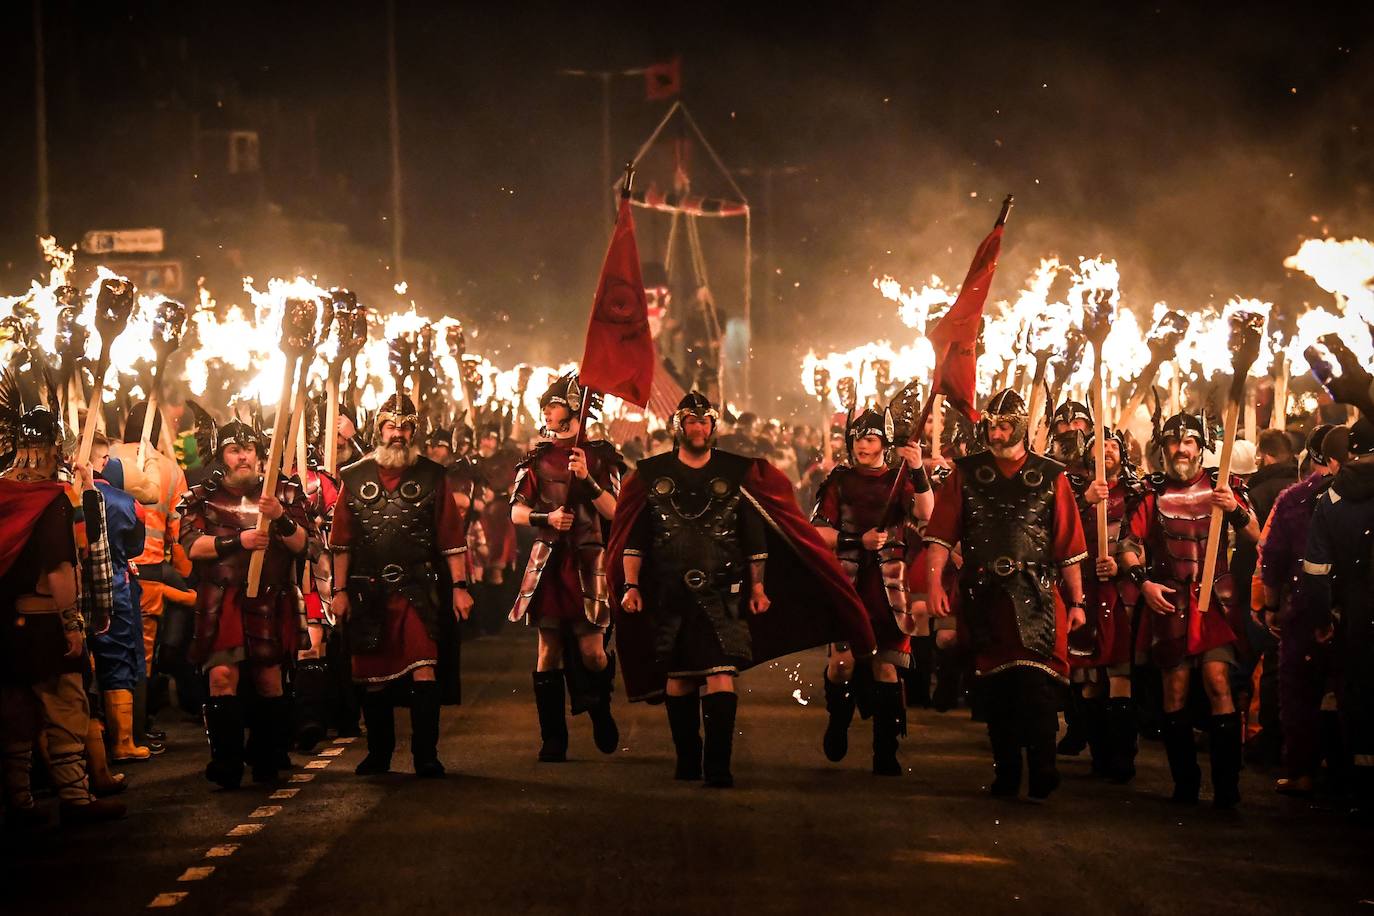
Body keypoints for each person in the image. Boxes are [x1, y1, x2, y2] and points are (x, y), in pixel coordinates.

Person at [606, 392, 876, 787]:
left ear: (713, 427)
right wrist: (630, 585)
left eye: (704, 422)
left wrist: (760, 587)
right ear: (678, 426)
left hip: (723, 591)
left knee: (720, 673)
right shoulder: (650, 475)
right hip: (669, 592)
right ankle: (687, 757)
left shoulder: (738, 473)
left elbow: (754, 539)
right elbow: (635, 539)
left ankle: (718, 764)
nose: (697, 429)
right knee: (679, 679)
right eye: (690, 422)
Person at [925, 389, 1089, 800]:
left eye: (1003, 426)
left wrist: (1079, 602)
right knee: (995, 689)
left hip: (1037, 592)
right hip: (985, 595)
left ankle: (1043, 766)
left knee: (1037, 685)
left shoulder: (1052, 476)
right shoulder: (966, 473)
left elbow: (1067, 545)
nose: (996, 434)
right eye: (991, 426)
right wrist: (933, 584)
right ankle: (1007, 772)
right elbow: (941, 537)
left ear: (1018, 427)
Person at [1, 382, 125, 825]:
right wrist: (72, 623)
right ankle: (76, 798)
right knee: (66, 706)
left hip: (4, 626)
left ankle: (20, 803)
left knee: (14, 712)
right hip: (42, 624)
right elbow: (60, 569)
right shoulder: (52, 501)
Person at [330, 393, 472, 778]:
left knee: (424, 667)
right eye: (392, 426)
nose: (398, 433)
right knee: (373, 678)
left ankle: (426, 755)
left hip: (417, 588)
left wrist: (459, 585)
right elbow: (341, 542)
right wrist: (338, 592)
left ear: (414, 431)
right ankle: (380, 754)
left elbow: (450, 538)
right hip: (368, 590)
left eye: (406, 427)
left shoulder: (431, 475)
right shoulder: (354, 477)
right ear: (379, 430)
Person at [179, 415, 314, 788]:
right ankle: (226, 764)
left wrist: (280, 519)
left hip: (270, 599)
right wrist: (238, 542)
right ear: (221, 455)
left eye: (248, 449)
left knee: (270, 680)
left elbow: (307, 545)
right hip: (222, 600)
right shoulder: (201, 496)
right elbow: (192, 546)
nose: (242, 457)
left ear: (259, 454)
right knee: (222, 677)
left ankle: (268, 761)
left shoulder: (284, 493)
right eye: (234, 450)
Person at [1138, 411, 1259, 808]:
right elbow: (1127, 546)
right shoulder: (1151, 490)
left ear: (1200, 446)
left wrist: (1235, 509)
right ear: (1165, 448)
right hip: (1170, 600)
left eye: (1189, 441)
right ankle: (1185, 785)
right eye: (1175, 442)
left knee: (1218, 682)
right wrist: (1144, 582)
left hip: (1215, 601)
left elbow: (1258, 536)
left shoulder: (1226, 486)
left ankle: (1227, 789)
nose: (1182, 449)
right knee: (1175, 688)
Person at [811, 407, 934, 775]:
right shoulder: (839, 481)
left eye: (871, 438)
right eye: (859, 439)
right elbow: (818, 532)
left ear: (884, 443)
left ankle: (886, 751)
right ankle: (838, 719)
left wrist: (917, 469)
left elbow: (926, 512)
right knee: (843, 664)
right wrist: (856, 539)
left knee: (887, 668)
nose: (863, 445)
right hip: (849, 581)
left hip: (889, 586)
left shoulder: (901, 480)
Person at [509, 375, 624, 762]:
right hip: (550, 562)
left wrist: (588, 479)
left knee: (593, 652)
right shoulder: (537, 458)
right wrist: (546, 515)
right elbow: (516, 511)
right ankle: (553, 739)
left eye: (554, 404)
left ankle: (599, 707)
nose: (546, 410)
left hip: (590, 558)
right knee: (548, 650)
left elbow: (616, 512)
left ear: (574, 410)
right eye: (545, 405)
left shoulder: (603, 456)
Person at [1065, 427, 1150, 782]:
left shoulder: (1136, 492)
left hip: (1121, 592)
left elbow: (1144, 540)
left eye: (1114, 446)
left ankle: (1122, 757)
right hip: (1085, 590)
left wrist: (1121, 564)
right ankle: (1099, 753)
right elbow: (1059, 528)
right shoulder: (1073, 490)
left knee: (1119, 672)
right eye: (1101, 447)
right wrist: (1085, 500)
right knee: (1089, 677)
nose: (1108, 452)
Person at [1301, 419, 1374, 819]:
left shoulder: (1330, 502)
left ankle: (1359, 791)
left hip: (1355, 615)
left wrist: (1322, 617)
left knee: (1359, 701)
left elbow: (1315, 572)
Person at [1258, 425, 1337, 796]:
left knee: (1301, 692)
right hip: (1349, 608)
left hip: (1305, 605)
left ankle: (1303, 771)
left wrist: (1271, 605)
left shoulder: (1296, 499)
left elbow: (1271, 557)